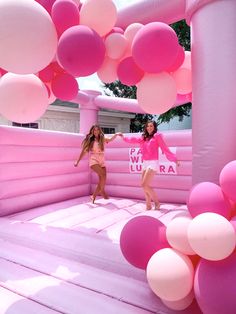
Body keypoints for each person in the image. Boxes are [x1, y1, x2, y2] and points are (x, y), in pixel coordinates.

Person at [120, 120, 179, 210]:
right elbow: (133, 140)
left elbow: (164, 148)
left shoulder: (157, 136)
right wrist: (123, 137)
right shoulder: (144, 137)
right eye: (148, 126)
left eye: (151, 126)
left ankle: (157, 203)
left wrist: (174, 160)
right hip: (145, 162)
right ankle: (148, 205)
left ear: (154, 127)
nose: (149, 128)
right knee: (144, 186)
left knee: (144, 185)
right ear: (146, 128)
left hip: (153, 162)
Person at [74, 124, 121, 203]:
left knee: (103, 178)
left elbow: (110, 139)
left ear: (99, 131)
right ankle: (102, 191)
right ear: (92, 131)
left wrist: (116, 135)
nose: (96, 131)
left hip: (102, 159)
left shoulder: (102, 138)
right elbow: (83, 152)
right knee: (103, 175)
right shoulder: (91, 140)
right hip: (94, 160)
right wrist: (77, 161)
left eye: (97, 130)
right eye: (94, 130)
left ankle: (94, 196)